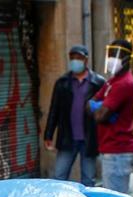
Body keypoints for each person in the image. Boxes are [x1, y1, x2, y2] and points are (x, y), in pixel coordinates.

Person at [44, 45, 105, 185]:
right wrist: (48, 134)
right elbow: (54, 109)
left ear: (86, 60)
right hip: (67, 137)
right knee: (59, 176)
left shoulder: (98, 82)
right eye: (72, 58)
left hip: (89, 137)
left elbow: (105, 111)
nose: (75, 61)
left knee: (88, 179)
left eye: (78, 58)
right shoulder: (62, 83)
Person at [89, 40, 133, 193]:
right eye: (110, 55)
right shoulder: (112, 81)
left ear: (126, 58)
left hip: (117, 149)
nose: (111, 59)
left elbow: (100, 116)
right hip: (111, 147)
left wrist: (99, 108)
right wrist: (100, 107)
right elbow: (90, 104)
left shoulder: (122, 84)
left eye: (115, 55)